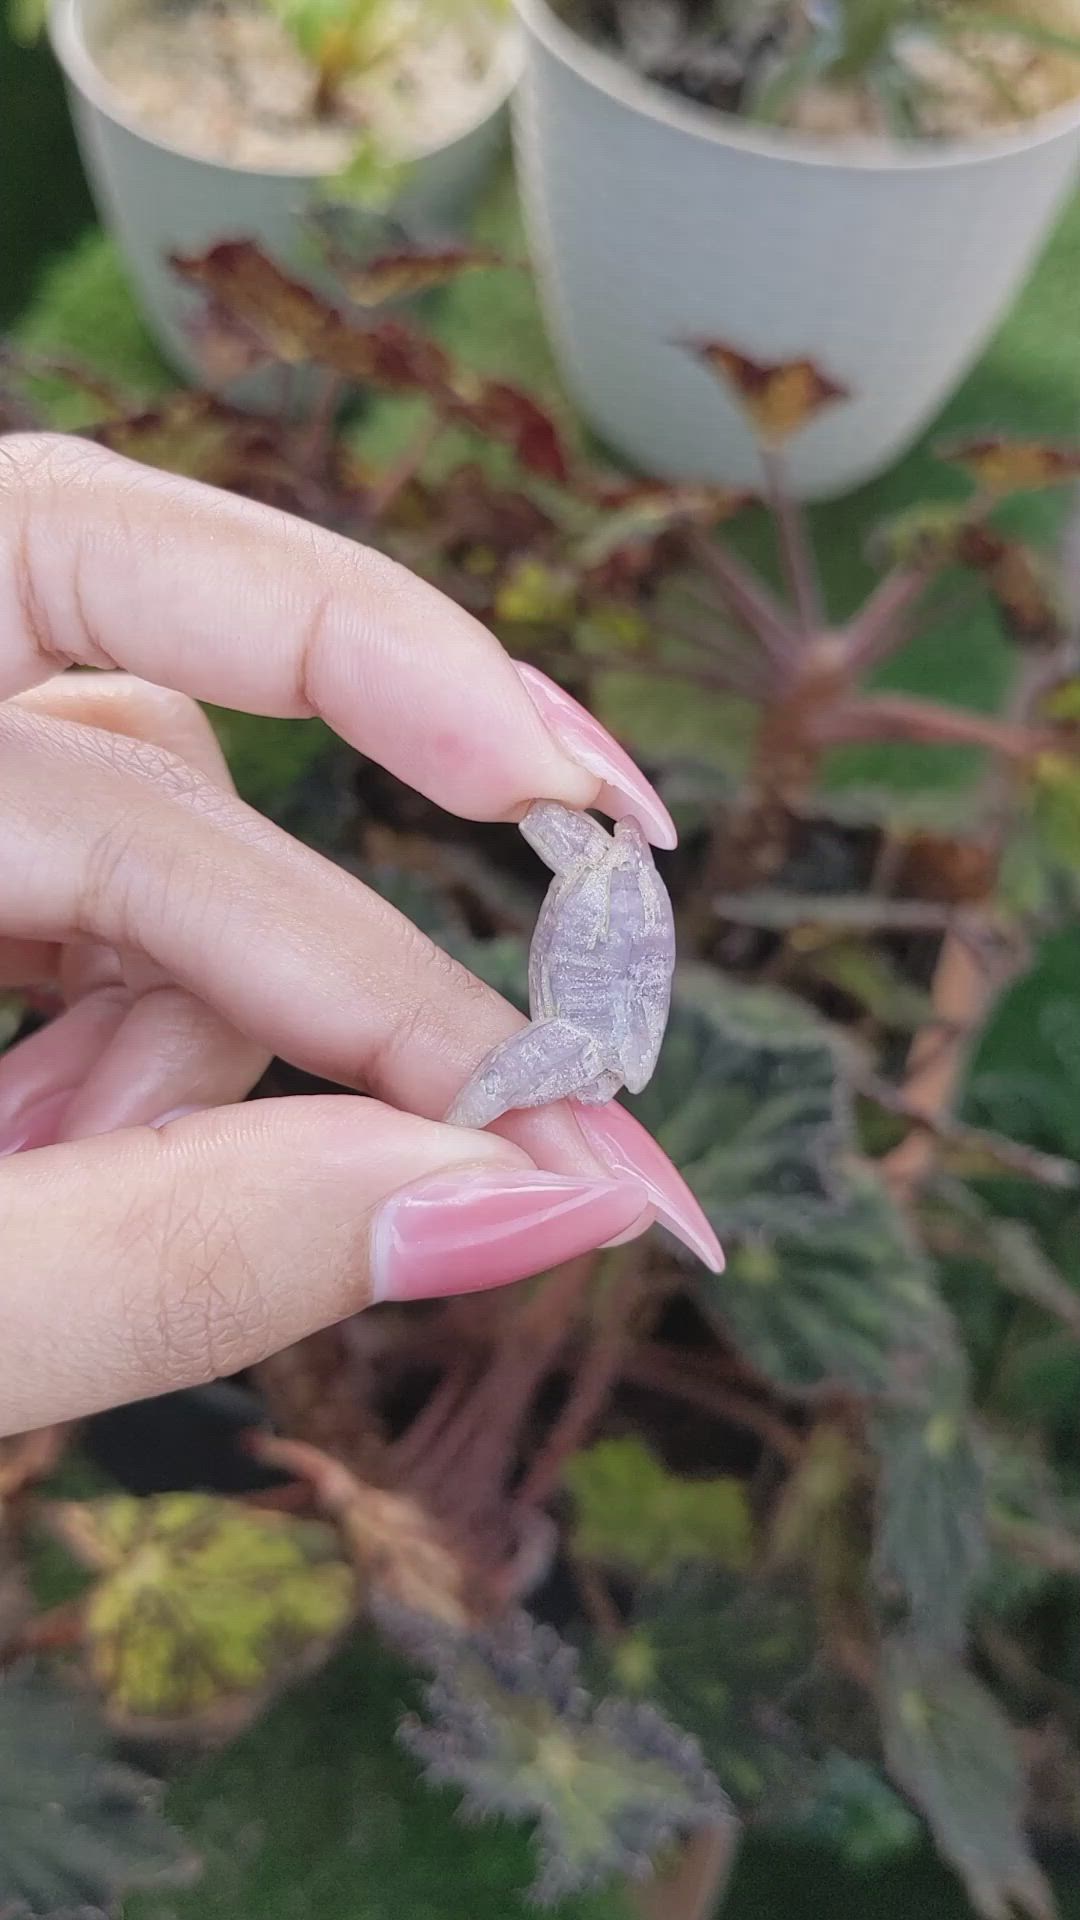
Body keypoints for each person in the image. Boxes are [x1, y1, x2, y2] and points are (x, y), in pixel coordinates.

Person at [0, 433, 721, 1439]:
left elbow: (596, 1011)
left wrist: (475, 1114)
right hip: (582, 1007)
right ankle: (470, 1117)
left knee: (553, 1003)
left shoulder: (618, 913)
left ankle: (469, 1122)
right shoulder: (606, 869)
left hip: (597, 1041)